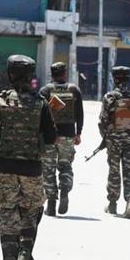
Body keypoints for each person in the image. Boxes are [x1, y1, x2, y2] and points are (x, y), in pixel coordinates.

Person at [0, 55, 57, 260]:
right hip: (32, 169)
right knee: (31, 212)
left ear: (10, 74)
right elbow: (51, 137)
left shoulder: (1, 100)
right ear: (31, 76)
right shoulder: (41, 103)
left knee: (8, 212)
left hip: (5, 168)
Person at [39, 62, 84, 217]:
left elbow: (40, 114)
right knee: (65, 165)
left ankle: (51, 204)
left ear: (51, 74)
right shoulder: (74, 89)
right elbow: (80, 113)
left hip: (49, 136)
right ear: (64, 73)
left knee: (48, 169)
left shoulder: (45, 90)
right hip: (68, 135)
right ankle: (64, 188)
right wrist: (78, 133)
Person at [98, 66, 130, 219]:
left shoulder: (110, 96)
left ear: (115, 78)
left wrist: (105, 137)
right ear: (128, 78)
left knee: (114, 170)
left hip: (114, 140)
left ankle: (112, 204)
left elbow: (103, 120)